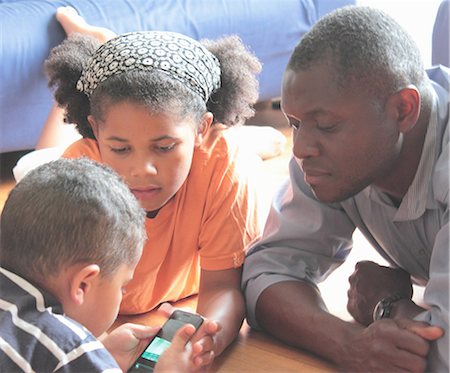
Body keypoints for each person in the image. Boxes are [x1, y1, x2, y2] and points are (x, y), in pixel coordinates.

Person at [42, 7, 263, 360]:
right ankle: (96, 42)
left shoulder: (224, 166)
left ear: (202, 129)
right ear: (96, 130)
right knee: (37, 162)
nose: (142, 169)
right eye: (119, 148)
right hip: (62, 171)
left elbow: (223, 287)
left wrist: (204, 338)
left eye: (164, 147)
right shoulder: (77, 169)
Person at [242, 5, 449, 372]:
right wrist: (347, 343)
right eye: (294, 123)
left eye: (326, 125)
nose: (301, 147)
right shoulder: (333, 154)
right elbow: (266, 275)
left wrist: (387, 306)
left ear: (403, 110)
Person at [0, 158, 217, 372]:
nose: (122, 293)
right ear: (83, 285)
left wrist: (102, 352)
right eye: (122, 287)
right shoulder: (70, 348)